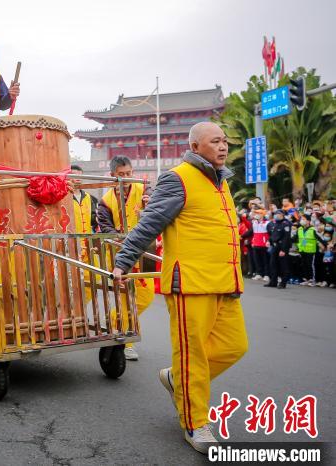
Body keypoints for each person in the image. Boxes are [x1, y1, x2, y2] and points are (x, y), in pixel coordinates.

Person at [111, 122, 248, 454]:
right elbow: (150, 222)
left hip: (225, 282)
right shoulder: (178, 178)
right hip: (190, 283)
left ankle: (178, 378)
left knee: (234, 346)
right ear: (195, 145)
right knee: (194, 357)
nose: (223, 146)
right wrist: (124, 259)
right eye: (215, 141)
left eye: (225, 141)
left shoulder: (221, 181)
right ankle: (195, 423)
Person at [96, 155, 154, 361]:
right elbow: (106, 228)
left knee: (146, 296)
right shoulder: (105, 202)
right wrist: (121, 241)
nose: (126, 177)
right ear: (113, 176)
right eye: (121, 175)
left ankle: (112, 324)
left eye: (129, 173)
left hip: (143, 253)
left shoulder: (143, 188)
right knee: (124, 299)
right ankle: (125, 342)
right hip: (121, 255)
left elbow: (156, 211)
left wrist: (150, 202)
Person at [265, 210, 292, 289]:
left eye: (278, 214)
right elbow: (272, 235)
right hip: (274, 246)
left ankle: (283, 283)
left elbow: (286, 238)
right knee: (273, 264)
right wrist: (269, 241)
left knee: (283, 265)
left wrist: (283, 250)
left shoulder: (286, 224)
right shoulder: (274, 223)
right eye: (275, 214)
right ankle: (273, 282)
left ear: (282, 215)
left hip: (282, 247)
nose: (276, 215)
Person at [70, 165, 98, 234]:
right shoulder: (65, 197)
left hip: (87, 239)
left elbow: (93, 217)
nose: (78, 178)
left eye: (80, 175)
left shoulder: (88, 197)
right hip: (71, 239)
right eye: (74, 175)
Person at [297, 216, 317, 286]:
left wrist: (326, 244)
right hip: (302, 250)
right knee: (304, 265)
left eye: (303, 219)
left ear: (308, 221)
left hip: (311, 250)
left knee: (310, 265)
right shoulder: (299, 229)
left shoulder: (313, 229)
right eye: (301, 219)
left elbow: (319, 238)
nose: (302, 221)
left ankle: (312, 280)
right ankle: (307, 279)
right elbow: (295, 238)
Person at [250, 211, 269, 281]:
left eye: (258, 213)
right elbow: (254, 233)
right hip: (256, 244)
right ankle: (259, 274)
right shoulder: (254, 223)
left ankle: (267, 274)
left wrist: (268, 241)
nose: (256, 215)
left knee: (265, 260)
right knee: (257, 260)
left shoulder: (267, 223)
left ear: (262, 215)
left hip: (264, 244)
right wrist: (253, 241)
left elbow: (269, 233)